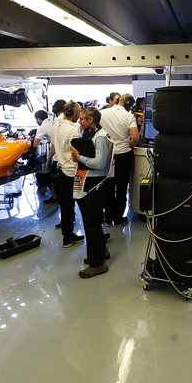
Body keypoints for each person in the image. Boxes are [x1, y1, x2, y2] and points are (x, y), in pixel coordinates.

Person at [71, 107, 113, 278]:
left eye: (81, 119)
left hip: (96, 183)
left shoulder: (101, 137)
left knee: (91, 223)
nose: (79, 121)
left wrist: (78, 157)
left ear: (91, 120)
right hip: (89, 182)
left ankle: (97, 264)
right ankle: (100, 252)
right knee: (92, 221)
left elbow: (99, 163)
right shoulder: (93, 135)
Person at [100, 93, 139, 227]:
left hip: (107, 155)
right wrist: (130, 144)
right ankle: (118, 219)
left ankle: (108, 218)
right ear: (128, 105)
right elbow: (135, 137)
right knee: (122, 187)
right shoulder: (129, 116)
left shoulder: (103, 113)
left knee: (108, 186)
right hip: (123, 154)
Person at [51, 99, 84, 247]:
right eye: (79, 111)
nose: (80, 114)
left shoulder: (55, 126)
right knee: (83, 205)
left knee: (65, 206)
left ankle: (67, 238)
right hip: (72, 172)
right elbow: (76, 152)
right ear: (73, 112)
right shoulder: (72, 130)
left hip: (59, 168)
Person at [33, 110, 56, 204]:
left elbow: (35, 144)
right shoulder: (54, 121)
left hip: (53, 155)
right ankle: (55, 195)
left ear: (38, 119)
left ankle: (54, 196)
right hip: (58, 152)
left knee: (43, 190)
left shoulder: (42, 127)